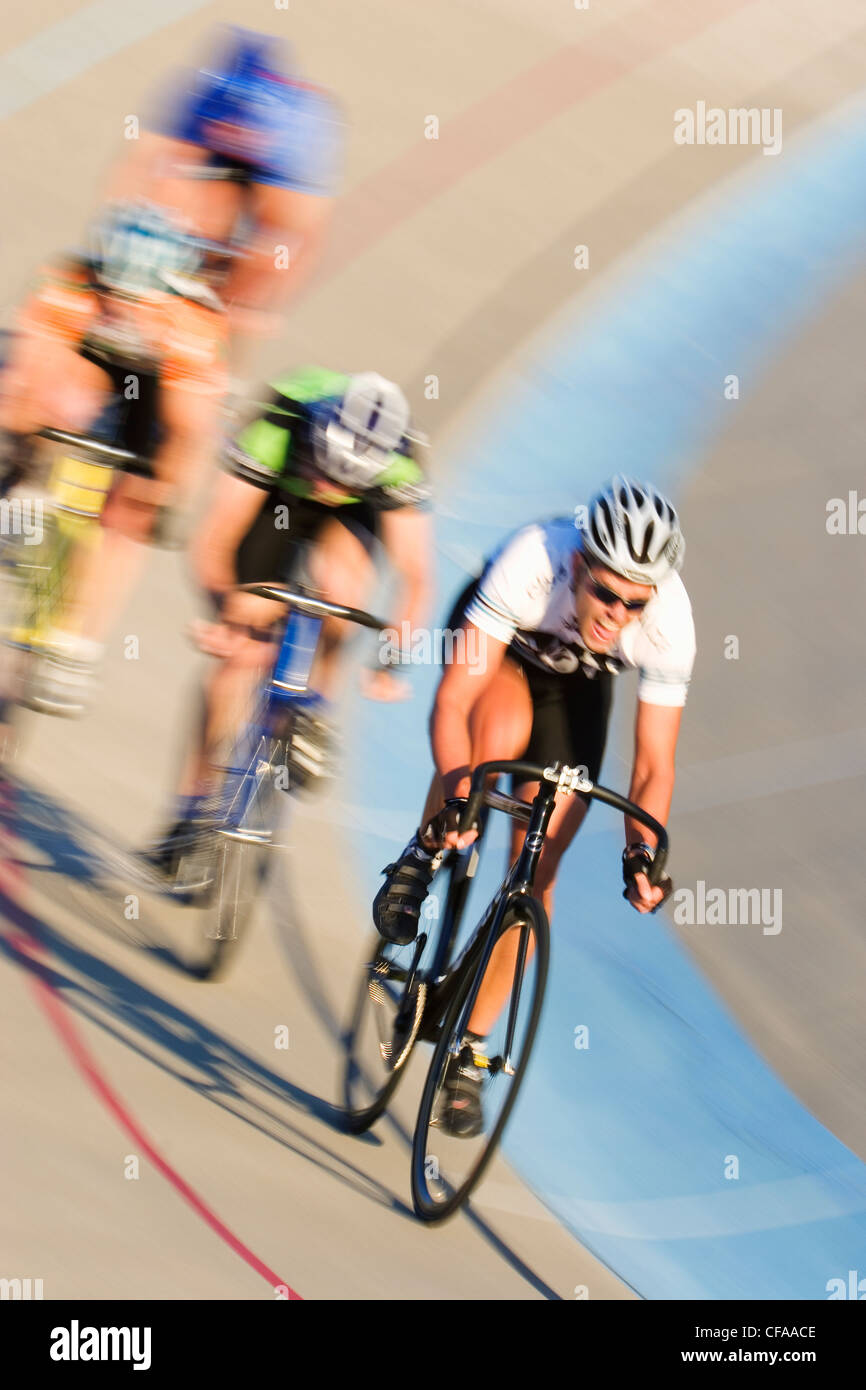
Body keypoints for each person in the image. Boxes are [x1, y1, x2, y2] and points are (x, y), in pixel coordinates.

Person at [0, 27, 343, 707]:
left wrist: (237, 312)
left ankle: (82, 636)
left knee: (153, 471)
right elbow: (141, 169)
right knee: (40, 378)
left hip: (209, 294)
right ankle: (26, 492)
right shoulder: (200, 102)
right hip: (148, 269)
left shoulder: (299, 133)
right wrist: (127, 246)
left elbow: (294, 240)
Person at [372, 476, 696, 1135]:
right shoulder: (534, 559)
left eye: (633, 604)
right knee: (492, 739)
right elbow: (454, 702)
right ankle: (424, 851)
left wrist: (642, 851)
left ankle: (467, 1053)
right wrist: (460, 795)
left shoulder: (668, 624)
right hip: (502, 654)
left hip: (576, 688)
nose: (616, 613)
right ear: (578, 565)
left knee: (536, 872)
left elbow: (655, 763)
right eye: (605, 592)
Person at [146, 365, 433, 868]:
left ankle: (313, 708)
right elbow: (213, 540)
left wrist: (392, 660)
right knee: (238, 660)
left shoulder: (398, 466)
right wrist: (228, 609)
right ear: (319, 434)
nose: (328, 484)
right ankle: (193, 804)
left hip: (348, 521)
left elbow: (416, 579)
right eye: (325, 468)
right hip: (275, 499)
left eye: (343, 477)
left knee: (343, 589)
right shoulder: (276, 429)